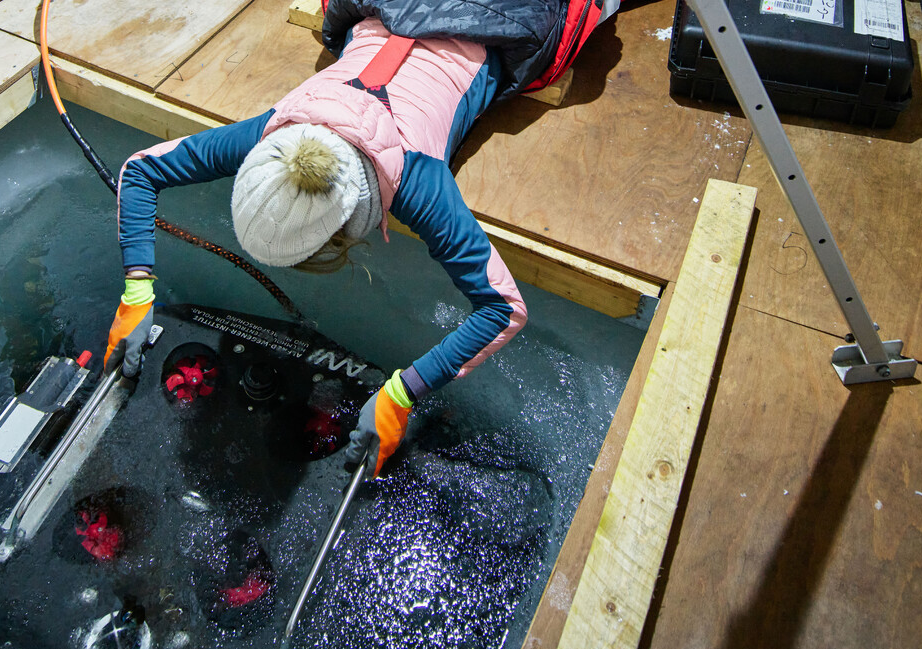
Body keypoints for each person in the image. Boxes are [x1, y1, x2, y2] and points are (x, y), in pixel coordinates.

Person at [104, 1, 617, 476]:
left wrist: (403, 391)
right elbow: (141, 172)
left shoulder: (416, 176)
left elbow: (504, 309)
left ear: (340, 239)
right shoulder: (275, 132)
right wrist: (137, 288)